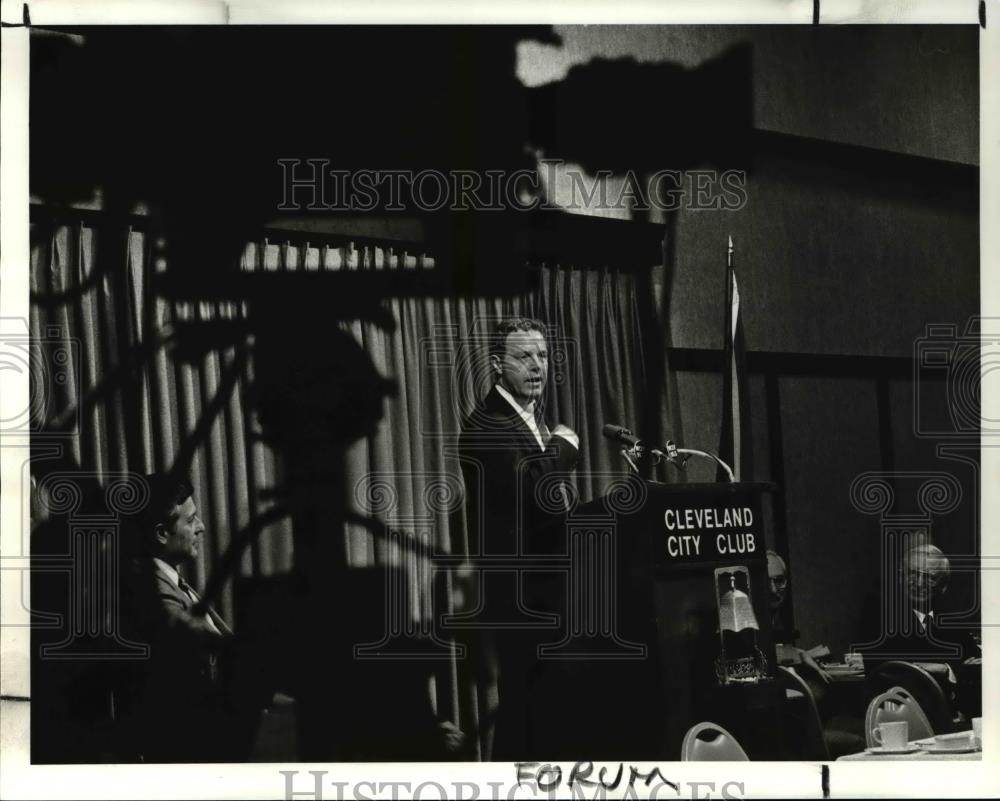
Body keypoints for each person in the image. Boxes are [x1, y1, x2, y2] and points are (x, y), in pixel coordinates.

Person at [458, 318, 580, 759]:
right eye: (524, 356)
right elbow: (530, 491)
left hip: (550, 597)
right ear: (497, 364)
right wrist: (564, 448)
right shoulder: (485, 423)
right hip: (522, 603)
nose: (537, 366)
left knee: (544, 721)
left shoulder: (528, 419)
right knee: (526, 724)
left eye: (543, 356)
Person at [119, 473, 234, 762]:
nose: (202, 527)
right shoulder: (152, 590)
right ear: (161, 533)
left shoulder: (168, 580)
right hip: (191, 748)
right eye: (191, 520)